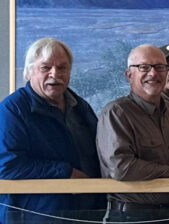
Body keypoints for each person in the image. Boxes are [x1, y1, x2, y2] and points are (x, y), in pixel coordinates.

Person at [0, 37, 105, 222]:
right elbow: (6, 166)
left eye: (62, 67)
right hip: (36, 217)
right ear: (28, 72)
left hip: (86, 215)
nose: (55, 74)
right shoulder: (12, 110)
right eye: (45, 67)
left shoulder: (80, 107)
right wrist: (65, 172)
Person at [97, 44, 169, 223]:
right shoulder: (116, 113)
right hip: (132, 216)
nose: (153, 73)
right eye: (144, 67)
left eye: (159, 67)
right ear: (129, 75)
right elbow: (121, 167)